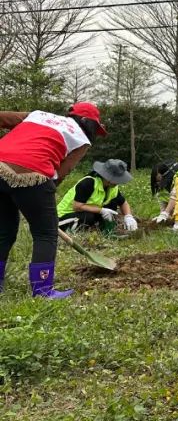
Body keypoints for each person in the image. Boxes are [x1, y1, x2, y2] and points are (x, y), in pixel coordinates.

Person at [0, 102, 107, 297]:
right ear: (87, 122)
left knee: (3, 230)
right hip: (34, 171)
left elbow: (2, 117)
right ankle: (42, 290)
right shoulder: (81, 139)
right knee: (45, 233)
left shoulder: (37, 115)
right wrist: (40, 199)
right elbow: (61, 172)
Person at [57, 158, 138, 235]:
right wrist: (101, 210)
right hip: (64, 216)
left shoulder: (112, 187)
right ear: (108, 177)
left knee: (112, 205)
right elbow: (77, 206)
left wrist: (128, 216)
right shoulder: (88, 183)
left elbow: (123, 202)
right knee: (88, 217)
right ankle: (72, 232)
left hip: (84, 212)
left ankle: (108, 232)